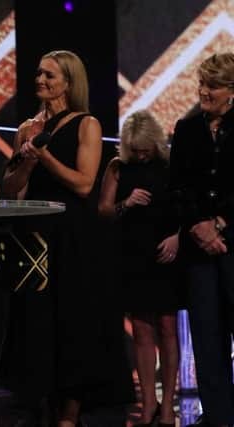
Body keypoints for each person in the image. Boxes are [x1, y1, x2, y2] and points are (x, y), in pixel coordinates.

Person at [0, 50, 133, 426]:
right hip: (34, 238)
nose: (40, 80)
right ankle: (38, 405)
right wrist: (25, 162)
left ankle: (69, 416)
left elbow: (84, 182)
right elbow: (9, 191)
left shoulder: (86, 124)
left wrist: (44, 157)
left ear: (69, 83)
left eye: (50, 76)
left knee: (71, 325)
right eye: (39, 73)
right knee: (37, 326)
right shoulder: (27, 127)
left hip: (73, 240)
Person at [98, 110, 181, 427]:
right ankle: (148, 404)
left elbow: (187, 207)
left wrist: (178, 238)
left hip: (167, 256)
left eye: (146, 147)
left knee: (168, 330)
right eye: (136, 149)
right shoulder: (118, 167)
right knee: (143, 332)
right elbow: (104, 210)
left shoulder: (170, 166)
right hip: (133, 257)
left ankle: (168, 405)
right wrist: (126, 203)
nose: (141, 153)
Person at [168, 52, 234, 427]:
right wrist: (198, 225)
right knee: (208, 341)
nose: (204, 91)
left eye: (213, 85)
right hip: (199, 251)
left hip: (231, 243)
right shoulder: (187, 127)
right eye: (202, 83)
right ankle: (220, 418)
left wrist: (221, 223)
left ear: (232, 91)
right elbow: (176, 188)